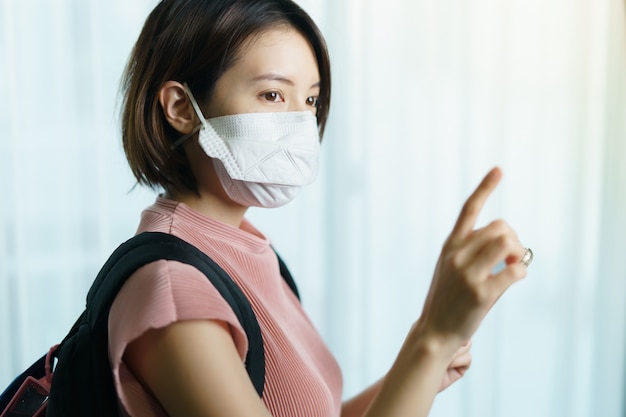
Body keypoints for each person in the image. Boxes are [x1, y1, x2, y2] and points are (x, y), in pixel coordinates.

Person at [111, 0, 530, 416]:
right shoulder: (174, 291)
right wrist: (431, 341)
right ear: (181, 108)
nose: (300, 123)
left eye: (310, 101)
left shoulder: (248, 248)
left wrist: (424, 359)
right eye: (272, 94)